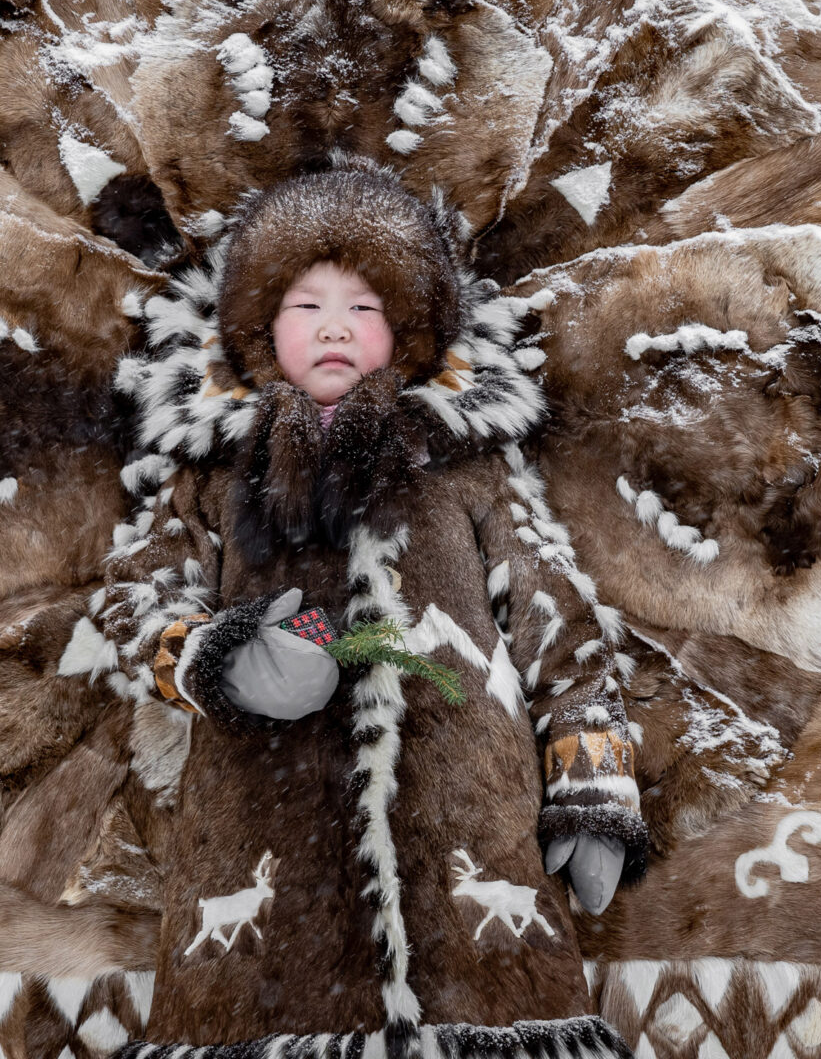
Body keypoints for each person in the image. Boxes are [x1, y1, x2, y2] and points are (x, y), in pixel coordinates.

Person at [91, 160, 642, 1058]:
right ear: (262, 327)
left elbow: (561, 622)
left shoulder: (472, 467)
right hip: (259, 847)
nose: (337, 327)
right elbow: (136, 596)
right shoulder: (214, 472)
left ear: (413, 330)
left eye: (368, 307)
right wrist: (219, 660)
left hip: (467, 838)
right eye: (307, 306)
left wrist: (592, 790)